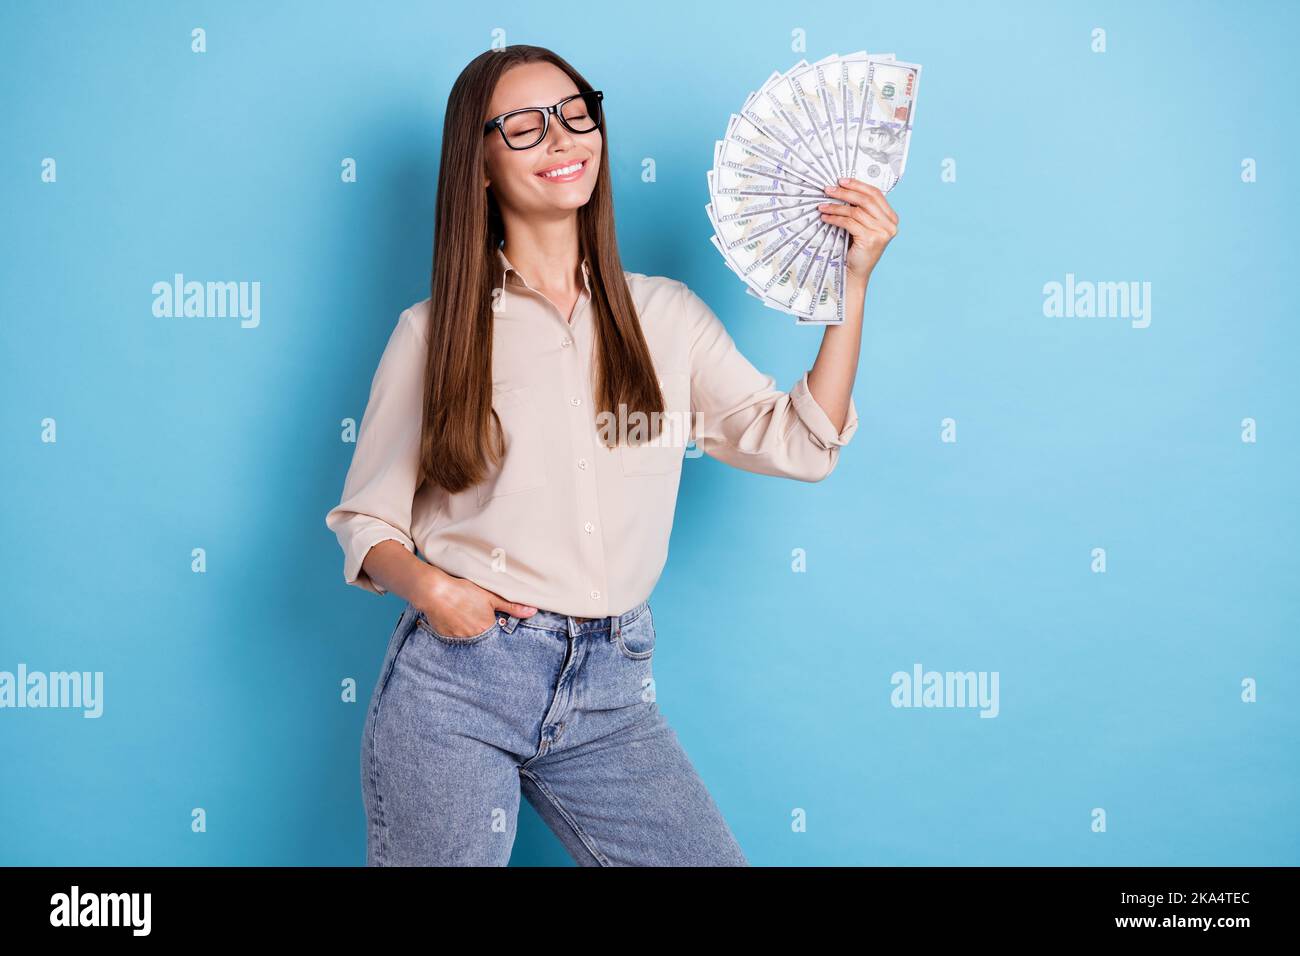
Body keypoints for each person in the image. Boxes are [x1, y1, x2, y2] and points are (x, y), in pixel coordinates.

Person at [325, 44, 898, 866]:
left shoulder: (667, 317)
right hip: (460, 683)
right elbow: (365, 522)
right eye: (523, 127)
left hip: (611, 688)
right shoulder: (434, 333)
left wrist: (852, 284)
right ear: (479, 166)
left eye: (574, 114)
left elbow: (804, 445)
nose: (561, 140)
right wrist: (435, 590)